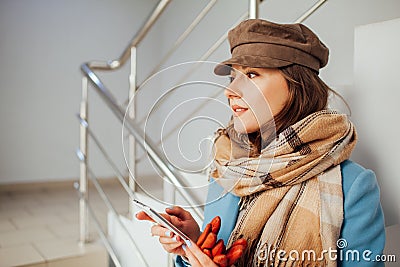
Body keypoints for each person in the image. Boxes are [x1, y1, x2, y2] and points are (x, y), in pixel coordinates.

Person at [136, 19, 385, 266]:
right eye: (233, 77)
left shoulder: (352, 187)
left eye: (252, 74)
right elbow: (225, 256)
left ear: (297, 85)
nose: (230, 90)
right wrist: (196, 244)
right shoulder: (227, 167)